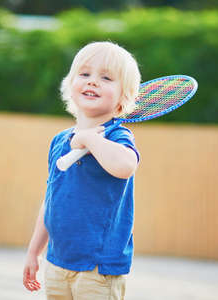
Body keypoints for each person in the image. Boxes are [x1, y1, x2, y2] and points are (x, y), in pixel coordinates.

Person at [23, 41, 141, 300]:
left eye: (106, 78)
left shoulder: (116, 135)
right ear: (70, 84)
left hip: (98, 269)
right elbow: (51, 200)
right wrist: (35, 250)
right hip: (58, 261)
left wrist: (91, 139)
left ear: (124, 97)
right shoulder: (59, 141)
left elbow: (125, 166)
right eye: (85, 74)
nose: (93, 82)